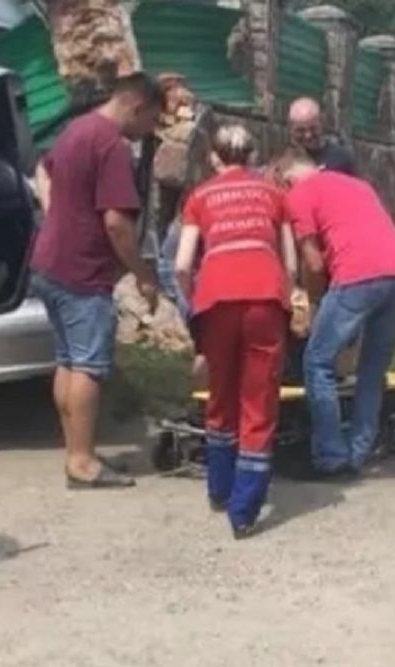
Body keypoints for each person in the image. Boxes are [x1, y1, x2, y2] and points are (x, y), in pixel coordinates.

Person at [31, 71, 163, 489]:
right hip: (82, 271)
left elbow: (43, 169)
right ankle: (84, 463)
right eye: (151, 121)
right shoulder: (111, 144)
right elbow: (116, 224)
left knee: (68, 361)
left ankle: (75, 453)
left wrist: (56, 215)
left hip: (48, 263)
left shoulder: (77, 128)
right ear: (136, 106)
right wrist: (143, 276)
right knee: (88, 365)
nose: (150, 131)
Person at [174, 125, 299, 538]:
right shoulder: (274, 194)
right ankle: (244, 510)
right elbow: (293, 265)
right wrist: (287, 294)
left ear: (215, 157)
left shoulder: (200, 197)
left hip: (215, 301)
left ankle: (219, 489)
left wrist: (195, 298)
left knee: (220, 395)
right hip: (264, 298)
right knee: (258, 400)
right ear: (251, 156)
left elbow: (180, 264)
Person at [281, 148, 395, 478]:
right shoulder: (359, 185)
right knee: (372, 369)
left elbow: (313, 263)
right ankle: (357, 452)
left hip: (358, 275)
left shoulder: (299, 194)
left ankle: (330, 455)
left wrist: (314, 306)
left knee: (317, 361)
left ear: (285, 179)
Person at [288, 97, 357, 176]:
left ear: (321, 124)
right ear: (291, 130)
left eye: (313, 128)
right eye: (301, 130)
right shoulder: (284, 161)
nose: (308, 135)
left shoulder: (340, 158)